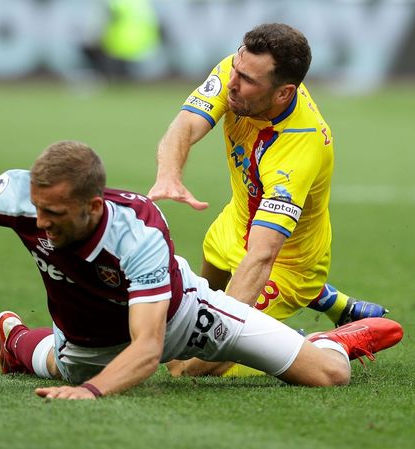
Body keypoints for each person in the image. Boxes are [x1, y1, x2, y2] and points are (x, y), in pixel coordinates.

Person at [0, 141, 403, 399]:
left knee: (328, 379)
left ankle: (331, 341)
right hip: (86, 339)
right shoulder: (21, 195)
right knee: (63, 360)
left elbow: (150, 348)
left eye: (54, 214)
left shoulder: (139, 232)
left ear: (93, 206)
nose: (40, 221)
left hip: (182, 316)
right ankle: (17, 341)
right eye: (37, 208)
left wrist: (97, 394)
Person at [147, 23, 389, 377]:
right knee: (181, 331)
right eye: (237, 69)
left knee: (191, 367)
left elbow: (262, 254)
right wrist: (170, 174)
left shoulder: (298, 146)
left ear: (283, 93)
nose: (232, 82)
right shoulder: (237, 72)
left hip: (284, 264)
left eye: (247, 80)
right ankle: (330, 302)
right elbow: (184, 125)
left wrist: (224, 332)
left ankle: (320, 342)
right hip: (232, 226)